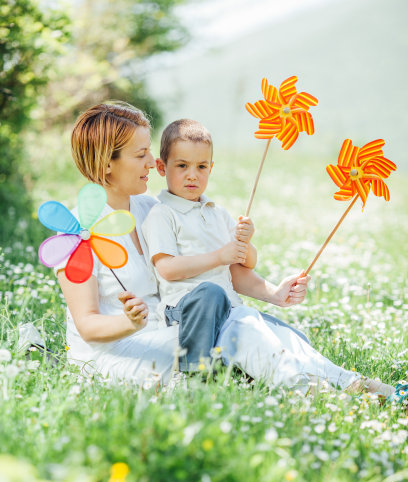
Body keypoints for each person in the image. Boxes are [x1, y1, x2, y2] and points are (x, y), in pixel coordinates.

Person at [141, 118, 400, 398]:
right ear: (160, 167)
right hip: (189, 314)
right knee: (229, 311)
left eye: (201, 167)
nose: (192, 175)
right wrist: (220, 255)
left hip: (231, 310)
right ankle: (312, 390)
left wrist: (262, 271)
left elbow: (241, 267)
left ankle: (353, 383)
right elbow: (166, 269)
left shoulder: (217, 213)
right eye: (182, 166)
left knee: (285, 338)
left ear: (211, 168)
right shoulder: (162, 214)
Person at [55, 102, 309, 386]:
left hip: (175, 333)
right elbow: (88, 325)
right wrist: (129, 322)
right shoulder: (76, 232)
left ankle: (338, 382)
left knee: (281, 336)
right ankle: (315, 389)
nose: (153, 162)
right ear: (106, 163)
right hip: (122, 351)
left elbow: (214, 268)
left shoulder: (151, 209)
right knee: (243, 337)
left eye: (149, 151)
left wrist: (274, 294)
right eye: (141, 155)